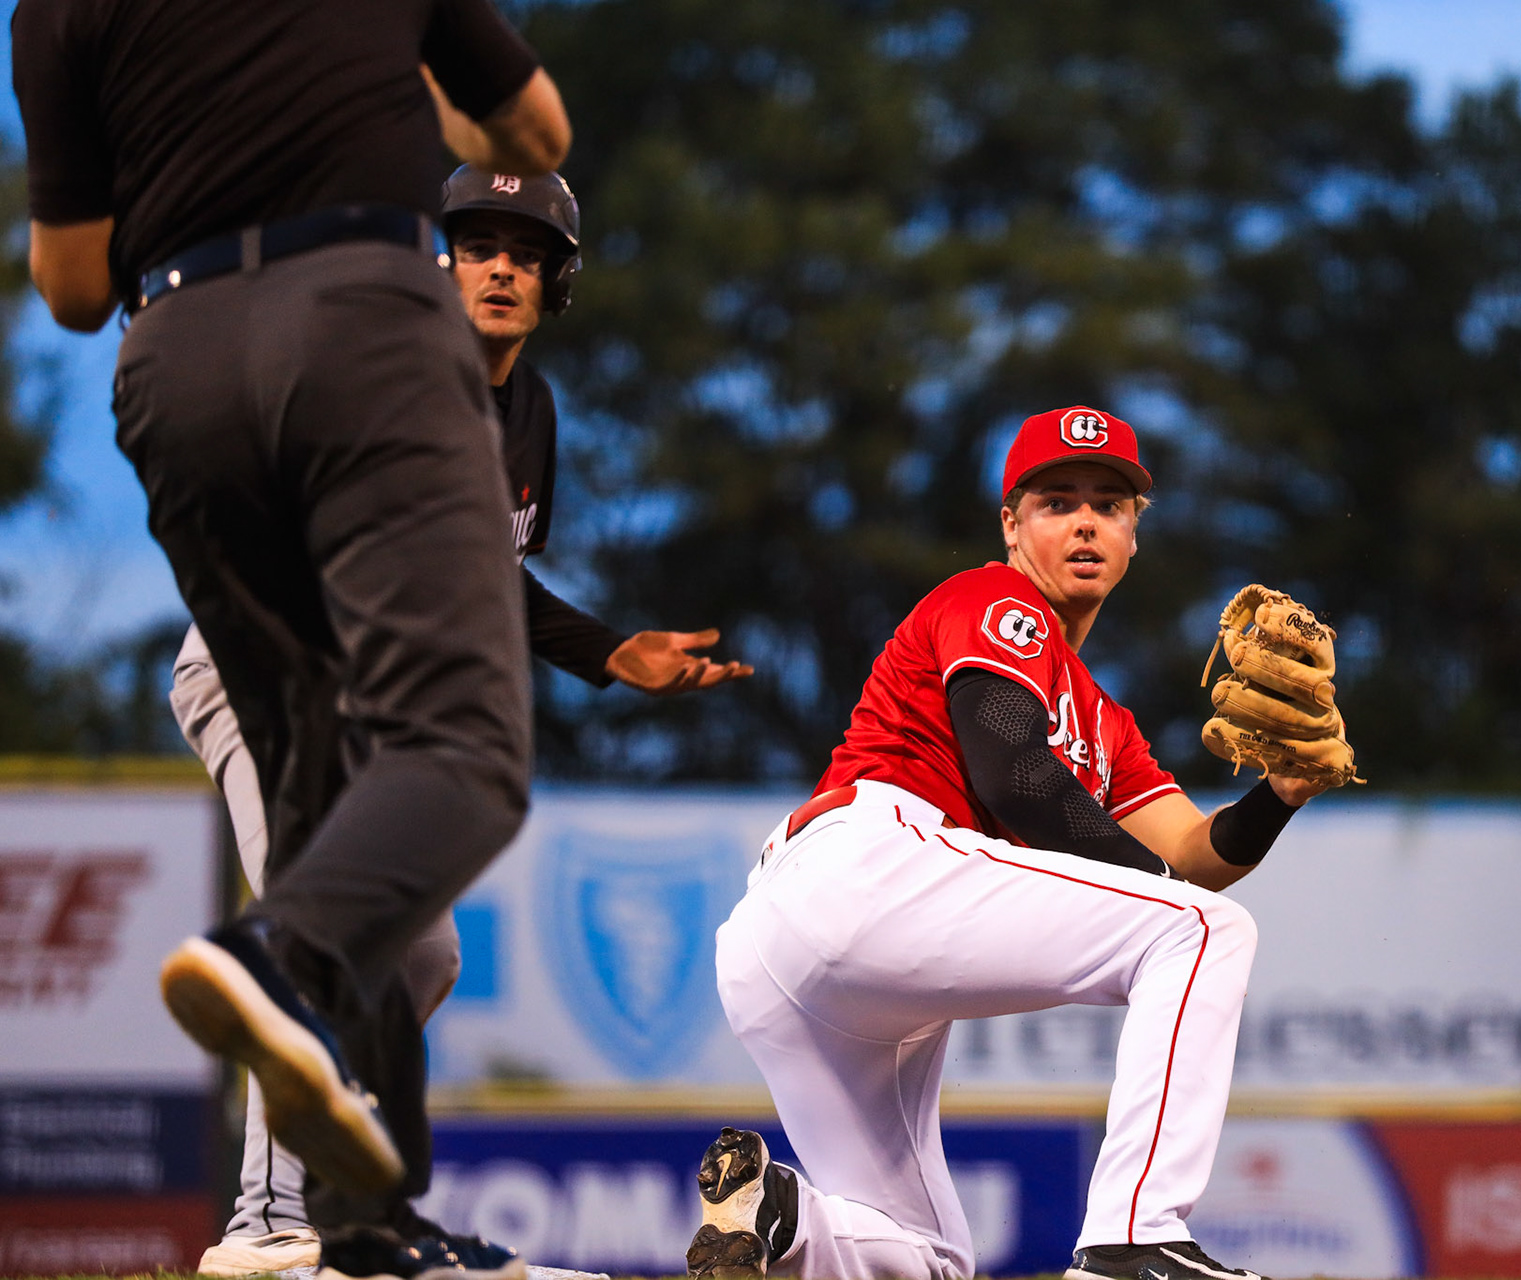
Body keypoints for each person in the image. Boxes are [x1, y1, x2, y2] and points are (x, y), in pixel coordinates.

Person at [14, 2, 572, 1274]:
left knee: (388, 903)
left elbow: (68, 287)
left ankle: (368, 1222)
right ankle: (270, 1110)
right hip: (359, 323)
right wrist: (392, 95)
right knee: (468, 759)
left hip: (173, 362)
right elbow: (537, 129)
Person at [173, 166, 751, 1278]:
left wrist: (608, 650)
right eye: (475, 244)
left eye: (525, 252)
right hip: (264, 665)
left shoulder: (528, 413)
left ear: (556, 285)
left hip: (360, 700)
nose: (499, 266)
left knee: (421, 949)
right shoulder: (376, 379)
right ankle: (261, 1220)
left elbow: (485, 572)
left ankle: (342, 1209)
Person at [687, 407, 1342, 1280]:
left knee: (930, 1260)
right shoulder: (996, 600)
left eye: (1109, 505)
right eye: (1055, 500)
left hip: (788, 954)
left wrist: (1279, 795)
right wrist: (1164, 894)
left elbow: (1189, 853)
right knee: (1204, 931)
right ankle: (1134, 1240)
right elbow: (1016, 777)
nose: (1083, 521)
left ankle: (785, 1221)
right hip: (872, 864)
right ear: (1011, 523)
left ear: (1135, 534)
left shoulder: (1105, 721)